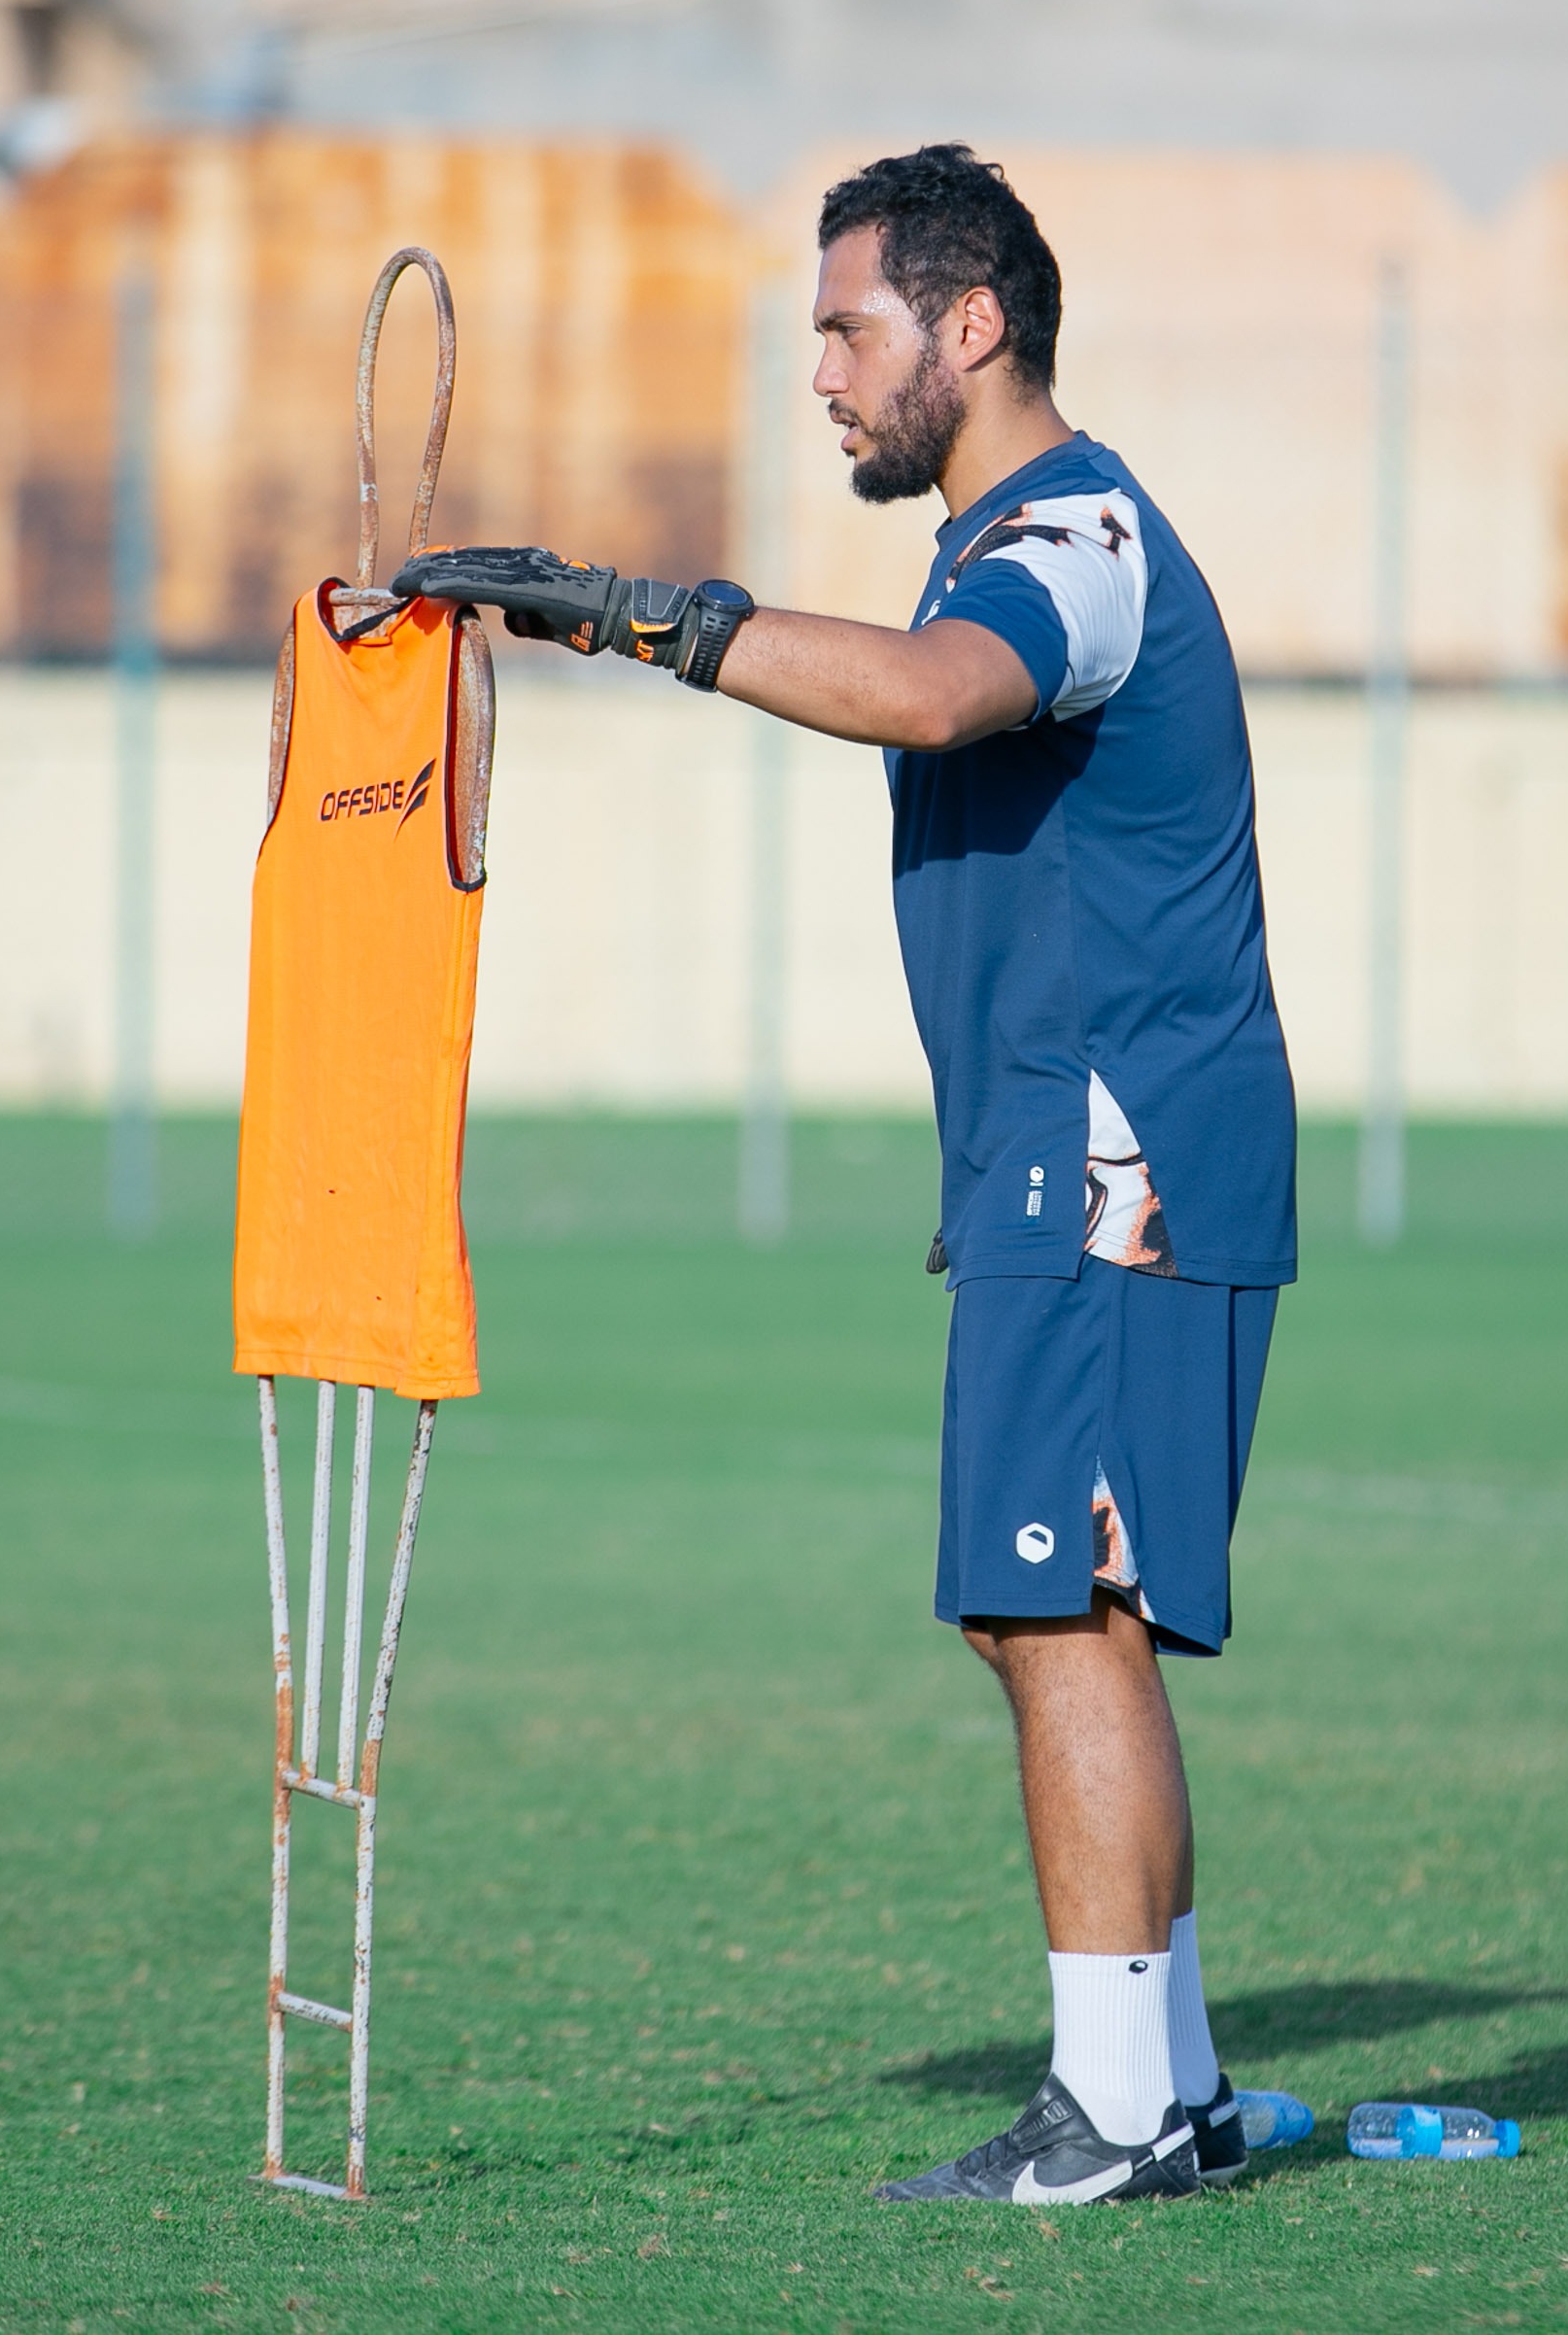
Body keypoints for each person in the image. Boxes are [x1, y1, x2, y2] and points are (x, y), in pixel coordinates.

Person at [394, 146, 1297, 2204]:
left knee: (1057, 1610)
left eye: (846, 327)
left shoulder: (1068, 540)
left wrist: (643, 614)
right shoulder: (1008, 536)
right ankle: (1172, 2083)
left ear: (971, 326)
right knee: (1051, 1613)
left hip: (1117, 1161)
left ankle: (1118, 2112)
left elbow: (928, 697)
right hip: (1075, 1158)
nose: (820, 371)